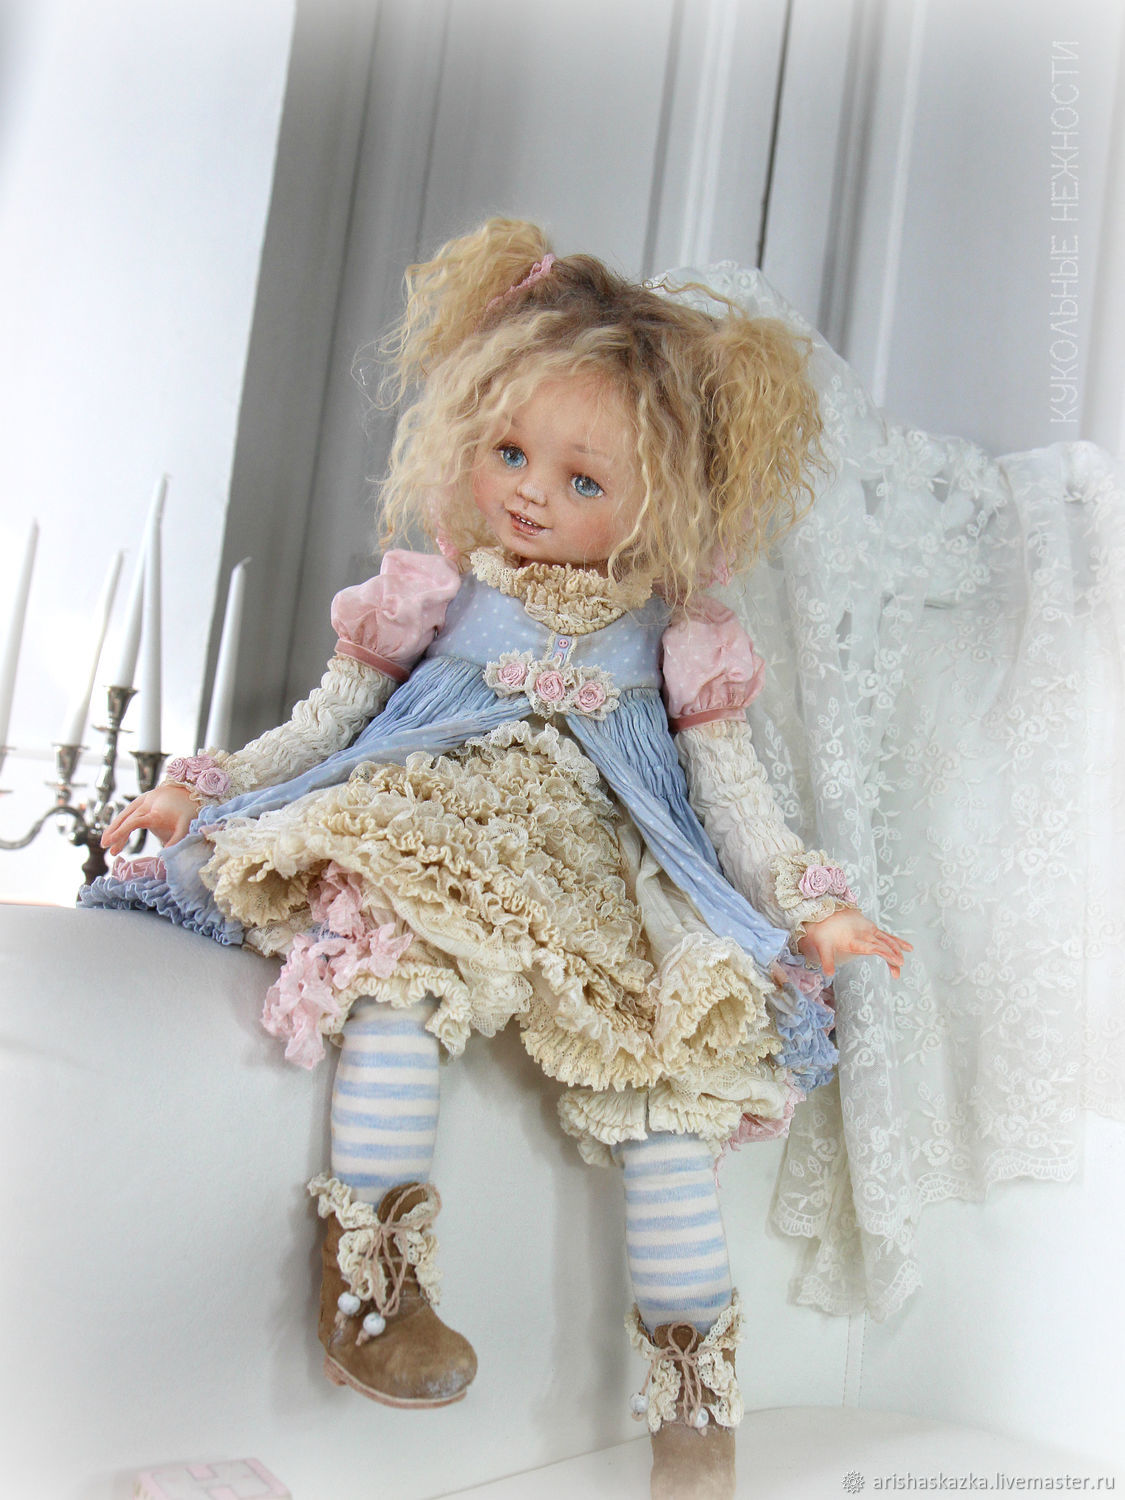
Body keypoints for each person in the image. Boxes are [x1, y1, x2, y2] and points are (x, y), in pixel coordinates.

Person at [86, 219, 911, 1500]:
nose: (530, 493)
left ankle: (696, 1414)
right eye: (510, 451)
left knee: (667, 1104)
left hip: (593, 875)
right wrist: (201, 786)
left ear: (661, 502)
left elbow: (736, 803)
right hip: (432, 824)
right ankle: (376, 1289)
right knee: (396, 981)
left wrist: (813, 908)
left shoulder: (680, 639)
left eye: (584, 481)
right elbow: (326, 723)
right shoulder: (437, 590)